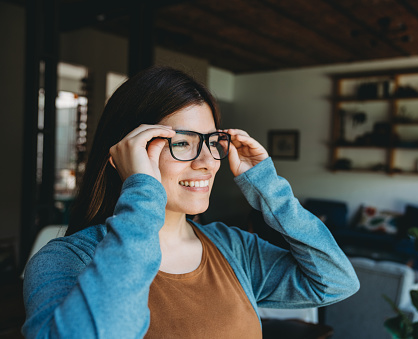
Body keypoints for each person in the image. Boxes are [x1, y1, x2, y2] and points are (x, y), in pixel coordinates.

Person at [22, 66, 359, 338]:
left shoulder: (233, 248)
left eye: (213, 141)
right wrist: (141, 193)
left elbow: (336, 281)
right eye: (182, 143)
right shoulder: (65, 261)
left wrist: (268, 186)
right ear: (125, 153)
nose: (208, 162)